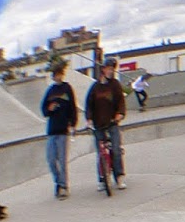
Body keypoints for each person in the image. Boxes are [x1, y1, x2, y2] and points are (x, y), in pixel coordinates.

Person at [85, 56, 128, 191]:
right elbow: (89, 105)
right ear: (103, 69)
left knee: (115, 150)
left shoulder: (115, 85)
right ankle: (102, 180)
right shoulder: (95, 87)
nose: (111, 72)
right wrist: (89, 119)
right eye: (109, 69)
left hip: (112, 122)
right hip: (99, 124)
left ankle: (119, 177)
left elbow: (121, 101)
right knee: (101, 152)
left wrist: (120, 114)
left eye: (112, 69)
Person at [40, 60, 78, 198]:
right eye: (56, 75)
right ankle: (58, 182)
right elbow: (43, 109)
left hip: (63, 130)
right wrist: (49, 109)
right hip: (52, 130)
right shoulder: (50, 91)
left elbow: (73, 107)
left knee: (62, 160)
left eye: (60, 74)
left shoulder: (67, 89)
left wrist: (73, 124)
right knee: (51, 159)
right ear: (53, 76)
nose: (59, 77)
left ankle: (63, 186)